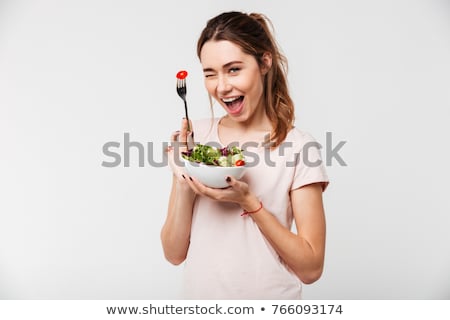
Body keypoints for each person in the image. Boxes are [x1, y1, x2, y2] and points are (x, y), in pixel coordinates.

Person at [161, 11, 329, 299]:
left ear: (264, 62)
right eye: (210, 73)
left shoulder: (300, 147)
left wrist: (249, 202)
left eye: (234, 69)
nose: (222, 87)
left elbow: (311, 269)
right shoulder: (196, 140)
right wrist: (183, 172)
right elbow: (174, 254)